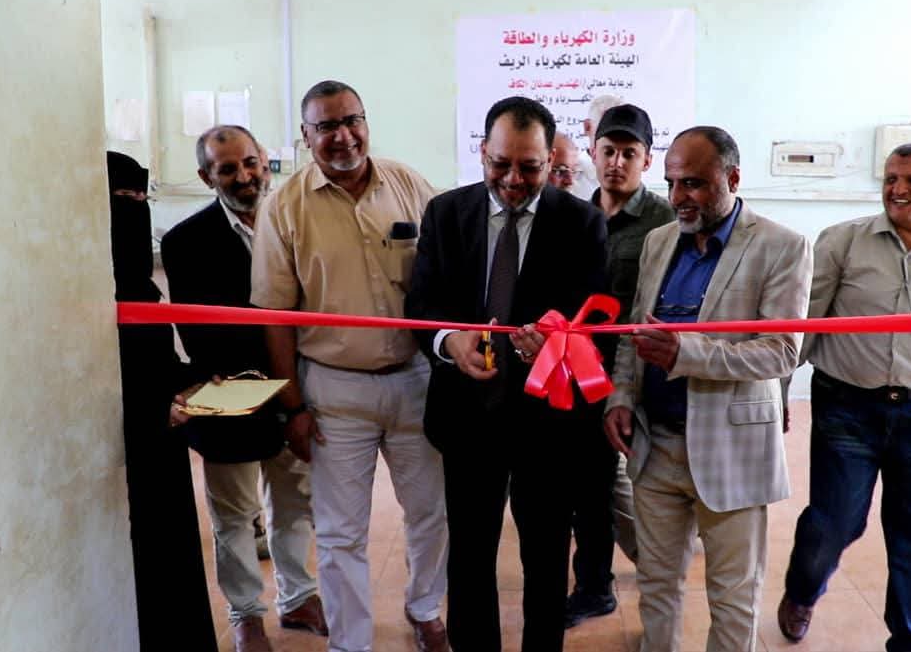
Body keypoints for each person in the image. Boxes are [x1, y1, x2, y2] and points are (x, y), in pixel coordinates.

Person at [405, 96, 609, 652]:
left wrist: (555, 348)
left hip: (548, 424)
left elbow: (594, 320)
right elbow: (421, 304)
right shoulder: (445, 214)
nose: (514, 179)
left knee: (546, 559)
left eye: (530, 167)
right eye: (501, 164)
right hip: (467, 417)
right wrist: (450, 342)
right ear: (482, 153)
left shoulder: (583, 223)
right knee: (470, 557)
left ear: (552, 161)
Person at [250, 80, 448, 652]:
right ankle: (351, 642)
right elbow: (274, 317)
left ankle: (425, 608)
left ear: (366, 122)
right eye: (326, 126)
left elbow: (445, 275)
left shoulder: (409, 185)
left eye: (351, 120)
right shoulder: (283, 207)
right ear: (305, 135)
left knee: (431, 514)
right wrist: (293, 407)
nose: (343, 136)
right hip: (334, 391)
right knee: (340, 533)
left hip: (415, 381)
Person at [603, 127, 812, 652]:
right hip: (655, 446)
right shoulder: (659, 242)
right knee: (656, 586)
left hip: (731, 450)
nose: (678, 197)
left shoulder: (782, 246)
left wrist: (685, 355)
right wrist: (621, 397)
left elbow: (780, 353)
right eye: (672, 183)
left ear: (733, 178)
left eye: (693, 184)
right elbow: (634, 332)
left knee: (733, 599)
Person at [778, 143, 911, 652]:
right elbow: (803, 325)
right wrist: (776, 390)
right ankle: (803, 590)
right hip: (846, 409)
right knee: (834, 524)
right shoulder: (842, 242)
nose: (898, 189)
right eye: (892, 178)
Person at [163, 125, 324, 652]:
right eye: (227, 169)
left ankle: (299, 598)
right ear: (206, 176)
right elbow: (200, 332)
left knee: (295, 502)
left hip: (297, 389)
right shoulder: (185, 242)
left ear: (264, 160)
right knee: (234, 515)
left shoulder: (297, 221)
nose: (244, 176)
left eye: (250, 162)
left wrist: (292, 385)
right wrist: (254, 376)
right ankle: (246, 614)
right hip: (229, 393)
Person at [564, 103, 675, 629]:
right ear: (593, 152)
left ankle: (661, 577)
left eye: (629, 153)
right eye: (608, 151)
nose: (617, 163)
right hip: (576, 375)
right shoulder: (574, 216)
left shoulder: (665, 222)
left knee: (645, 486)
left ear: (647, 160)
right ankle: (593, 587)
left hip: (643, 377)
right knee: (589, 486)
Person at [106, 151, 218, 652]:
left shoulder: (140, 286)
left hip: (162, 450)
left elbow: (154, 361)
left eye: (140, 197)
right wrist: (154, 409)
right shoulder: (76, 291)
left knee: (171, 569)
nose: (134, 207)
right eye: (120, 199)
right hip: (121, 457)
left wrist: (197, 382)